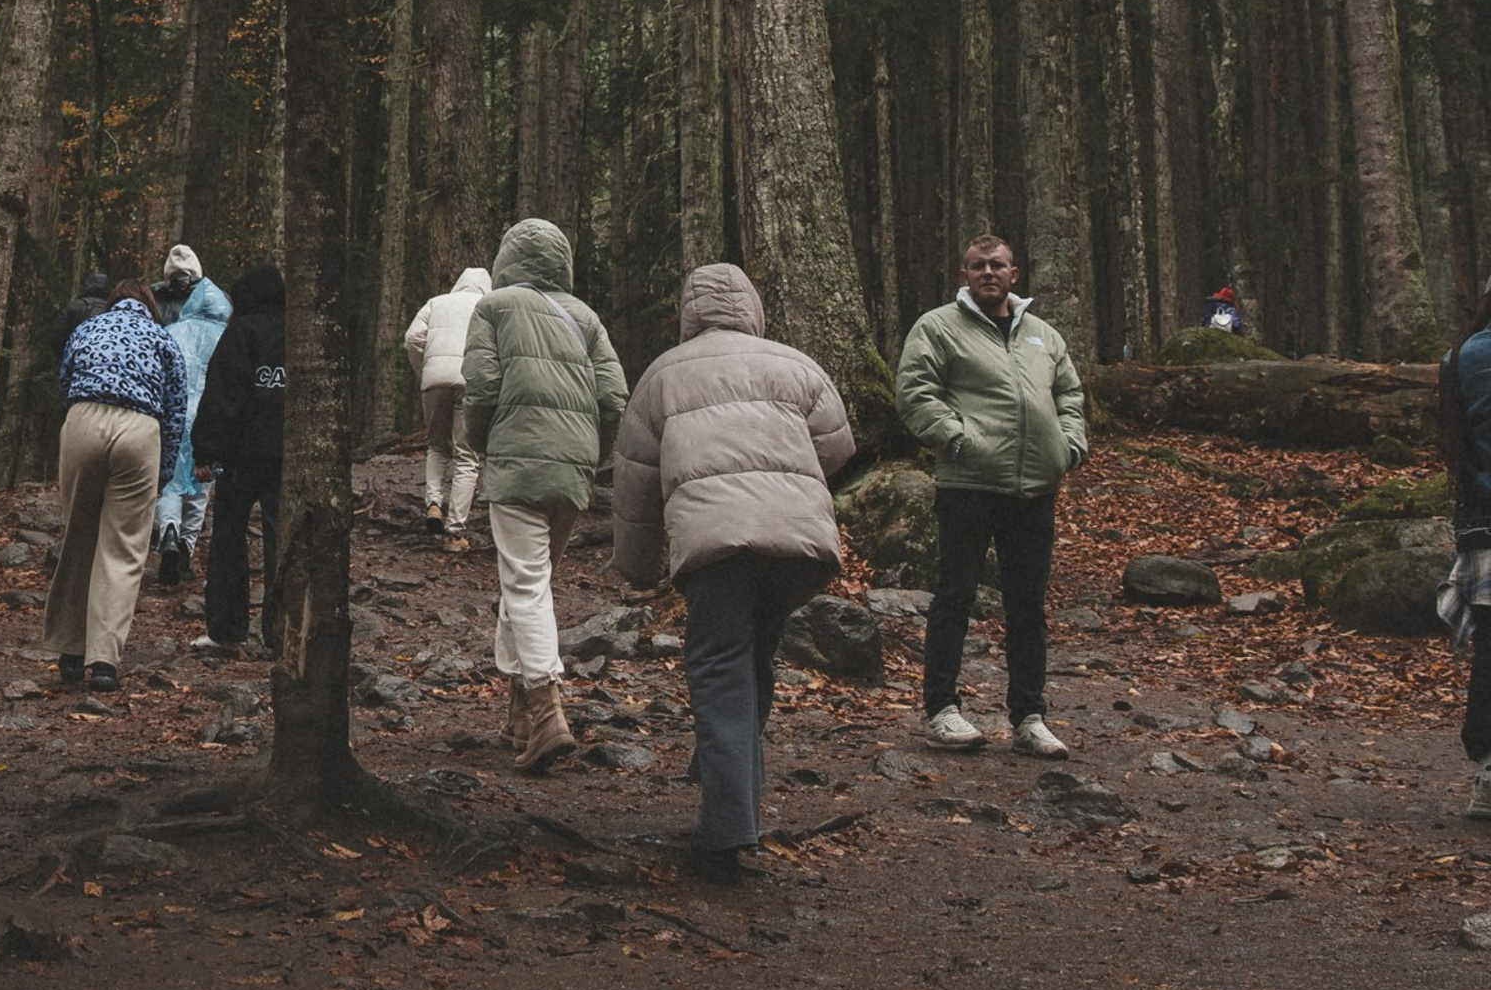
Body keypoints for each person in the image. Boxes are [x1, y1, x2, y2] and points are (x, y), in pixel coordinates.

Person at [614, 263, 856, 883]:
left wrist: (639, 568)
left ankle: (723, 833)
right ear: (751, 306)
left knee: (720, 668)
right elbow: (837, 446)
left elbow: (636, 481)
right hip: (798, 548)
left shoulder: (662, 375)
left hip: (717, 544)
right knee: (752, 660)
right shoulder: (796, 364)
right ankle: (731, 778)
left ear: (689, 313)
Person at [896, 232, 1088, 757]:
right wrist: (957, 439)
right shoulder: (938, 328)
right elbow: (915, 392)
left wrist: (1069, 445)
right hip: (969, 486)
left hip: (1035, 490)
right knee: (954, 597)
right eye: (977, 266)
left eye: (996, 265)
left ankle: (1029, 716)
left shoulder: (1043, 336)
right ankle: (942, 710)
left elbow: (1069, 393)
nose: (987, 273)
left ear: (1014, 273)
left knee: (1028, 606)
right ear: (964, 275)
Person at [460, 217, 627, 774]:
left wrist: (482, 443)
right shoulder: (586, 318)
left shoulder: (494, 306)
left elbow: (481, 387)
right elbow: (613, 398)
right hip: (573, 468)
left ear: (509, 257)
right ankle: (517, 715)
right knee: (530, 580)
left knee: (526, 584)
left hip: (518, 460)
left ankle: (549, 712)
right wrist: (591, 454)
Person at [42, 278, 188, 694]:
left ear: (112, 303)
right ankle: (104, 660)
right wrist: (162, 473)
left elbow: (64, 381)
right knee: (123, 547)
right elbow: (176, 411)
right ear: (148, 305)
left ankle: (70, 650)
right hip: (140, 429)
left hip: (85, 418)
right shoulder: (163, 340)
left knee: (79, 537)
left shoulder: (86, 329)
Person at [191, 261, 286, 653]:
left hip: (242, 456)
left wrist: (206, 451)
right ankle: (281, 631)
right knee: (282, 540)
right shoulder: (298, 335)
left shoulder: (239, 334)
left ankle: (227, 630)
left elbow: (222, 397)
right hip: (286, 455)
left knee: (229, 538)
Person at [1434, 276, 1491, 818]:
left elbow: (1454, 443)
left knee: (1490, 653)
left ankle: (1488, 773)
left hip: (1480, 522)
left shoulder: (1461, 358)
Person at [155, 249, 231, 583]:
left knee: (171, 481)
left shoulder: (173, 332)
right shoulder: (226, 336)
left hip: (175, 414)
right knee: (202, 485)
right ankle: (186, 547)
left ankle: (168, 532)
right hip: (210, 417)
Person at [403, 264, 493, 545]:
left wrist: (425, 369)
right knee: (467, 455)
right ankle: (455, 531)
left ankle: (433, 503)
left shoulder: (436, 302)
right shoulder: (488, 307)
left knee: (437, 445)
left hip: (435, 382)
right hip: (470, 381)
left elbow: (412, 338)